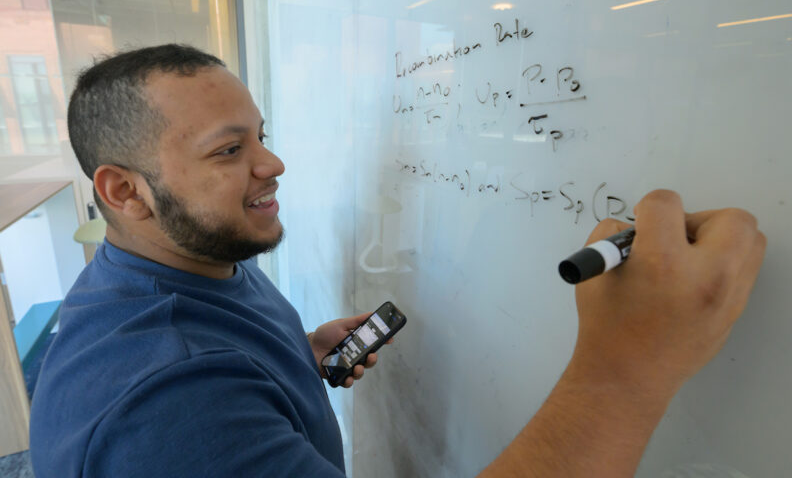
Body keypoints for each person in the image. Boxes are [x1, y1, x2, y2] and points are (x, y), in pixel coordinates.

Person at [29, 44, 766, 477]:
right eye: (229, 150)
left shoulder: (189, 259)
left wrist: (292, 359)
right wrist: (626, 371)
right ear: (125, 191)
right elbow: (189, 403)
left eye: (261, 135)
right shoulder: (171, 406)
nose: (273, 163)